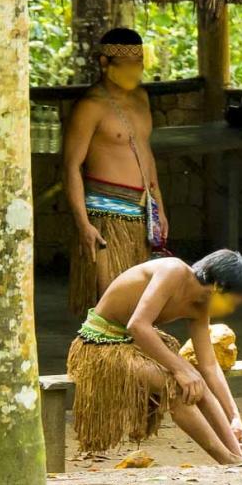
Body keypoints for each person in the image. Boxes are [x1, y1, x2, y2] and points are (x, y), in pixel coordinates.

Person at [66, 250, 242, 465]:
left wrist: (235, 416)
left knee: (198, 383)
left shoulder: (201, 308)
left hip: (134, 343)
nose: (231, 309)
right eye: (233, 302)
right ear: (218, 286)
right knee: (176, 389)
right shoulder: (173, 270)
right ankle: (227, 460)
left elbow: (209, 366)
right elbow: (137, 325)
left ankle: (238, 458)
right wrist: (180, 369)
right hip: (101, 343)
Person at [63, 28, 169, 319]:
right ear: (104, 63)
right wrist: (83, 224)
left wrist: (159, 208)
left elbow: (147, 155)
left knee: (140, 307)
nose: (135, 71)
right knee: (110, 306)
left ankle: (132, 363)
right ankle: (101, 362)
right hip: (105, 217)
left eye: (139, 63)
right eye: (127, 65)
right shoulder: (90, 106)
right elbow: (71, 166)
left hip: (142, 215)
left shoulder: (142, 99)